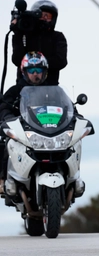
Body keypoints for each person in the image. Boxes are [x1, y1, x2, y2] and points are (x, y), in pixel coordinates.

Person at [0, 51, 49, 193]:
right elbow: (3, 107)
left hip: (48, 133)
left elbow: (66, 107)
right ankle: (3, 179)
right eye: (31, 70)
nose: (35, 73)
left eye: (39, 69)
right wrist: (8, 118)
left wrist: (75, 115)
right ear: (24, 71)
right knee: (6, 143)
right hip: (23, 134)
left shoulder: (51, 90)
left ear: (44, 71)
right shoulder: (15, 91)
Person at [11, 0, 67, 84]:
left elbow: (61, 61)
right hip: (24, 88)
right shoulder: (24, 35)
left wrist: (39, 62)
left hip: (51, 88)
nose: (44, 18)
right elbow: (17, 59)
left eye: (48, 16)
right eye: (41, 15)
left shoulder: (57, 37)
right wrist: (18, 33)